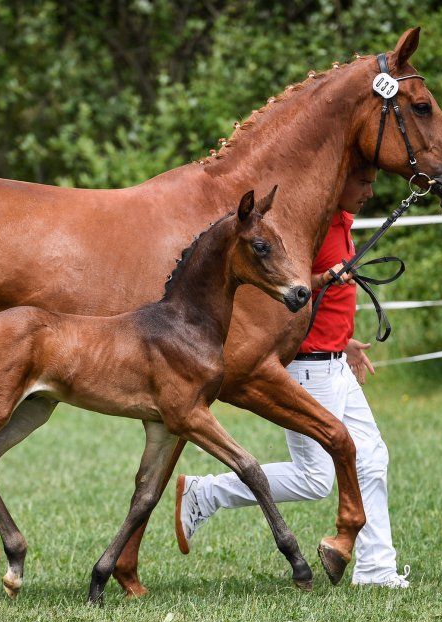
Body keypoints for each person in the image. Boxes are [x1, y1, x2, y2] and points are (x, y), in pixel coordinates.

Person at [174, 165, 410, 588]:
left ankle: (376, 570)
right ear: (340, 183)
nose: (370, 192)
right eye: (364, 182)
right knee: (315, 477)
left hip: (335, 359)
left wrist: (345, 340)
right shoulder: (311, 229)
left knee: (373, 458)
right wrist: (321, 279)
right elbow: (282, 288)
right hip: (308, 364)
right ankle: (205, 493)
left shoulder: (342, 223)